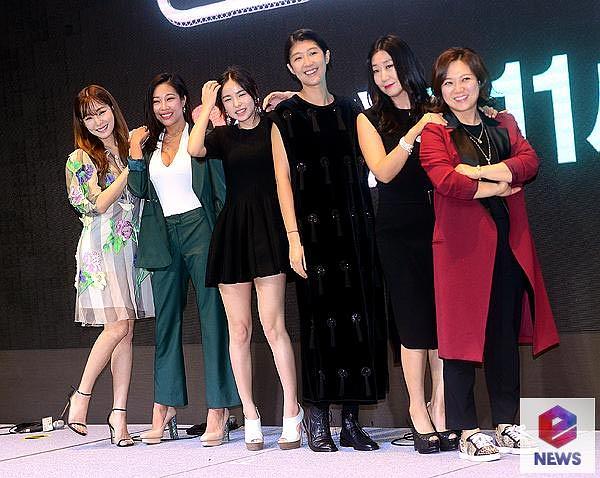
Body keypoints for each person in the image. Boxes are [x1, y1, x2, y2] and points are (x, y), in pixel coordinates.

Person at [419, 47, 560, 461]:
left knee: (502, 334)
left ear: (480, 81)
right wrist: (499, 185)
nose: (458, 89)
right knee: (460, 340)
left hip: (507, 244)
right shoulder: (436, 131)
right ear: (439, 90)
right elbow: (447, 181)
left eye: (465, 79)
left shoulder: (503, 122)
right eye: (448, 82)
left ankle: (505, 423)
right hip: (460, 251)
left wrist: (479, 172)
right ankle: (466, 430)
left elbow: (528, 163)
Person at [270, 29, 388, 452]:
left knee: (358, 322)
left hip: (355, 230)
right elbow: (282, 180)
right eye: (299, 57)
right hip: (313, 235)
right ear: (290, 67)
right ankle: (317, 417)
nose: (308, 62)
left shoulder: (351, 108)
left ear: (327, 56)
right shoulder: (285, 116)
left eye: (313, 53)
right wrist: (293, 238)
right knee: (319, 324)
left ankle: (351, 422)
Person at [187, 66, 302, 451]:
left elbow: (284, 180)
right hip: (233, 233)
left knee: (273, 326)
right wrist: (207, 106)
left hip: (268, 230)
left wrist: (293, 237)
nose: (236, 104)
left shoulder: (273, 126)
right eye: (228, 99)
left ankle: (292, 410)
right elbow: (194, 148)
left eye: (241, 94)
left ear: (253, 93)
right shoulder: (223, 136)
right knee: (239, 330)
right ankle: (250, 414)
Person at [127, 73, 239, 446]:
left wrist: (225, 237)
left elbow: (221, 191)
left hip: (200, 230)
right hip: (163, 236)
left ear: (184, 100)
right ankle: (164, 407)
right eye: (157, 101)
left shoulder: (200, 135)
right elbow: (139, 190)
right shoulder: (150, 143)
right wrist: (134, 152)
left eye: (170, 99)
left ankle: (219, 409)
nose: (164, 107)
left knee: (213, 320)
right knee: (166, 325)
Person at [356, 34, 455, 454]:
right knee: (414, 325)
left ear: (406, 65)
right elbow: (383, 171)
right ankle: (417, 409)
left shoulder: (437, 107)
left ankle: (441, 407)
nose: (384, 76)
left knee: (443, 323)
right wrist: (414, 132)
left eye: (390, 66)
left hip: (442, 224)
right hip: (397, 230)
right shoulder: (369, 119)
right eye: (376, 70)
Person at [64, 85, 154, 447]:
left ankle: (119, 415)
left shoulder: (129, 149)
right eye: (89, 117)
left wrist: (132, 156)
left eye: (102, 111)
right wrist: (130, 166)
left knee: (126, 330)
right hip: (101, 248)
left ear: (113, 110)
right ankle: (81, 396)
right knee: (117, 326)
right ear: (82, 123)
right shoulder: (80, 158)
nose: (98, 121)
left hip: (130, 248)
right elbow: (96, 204)